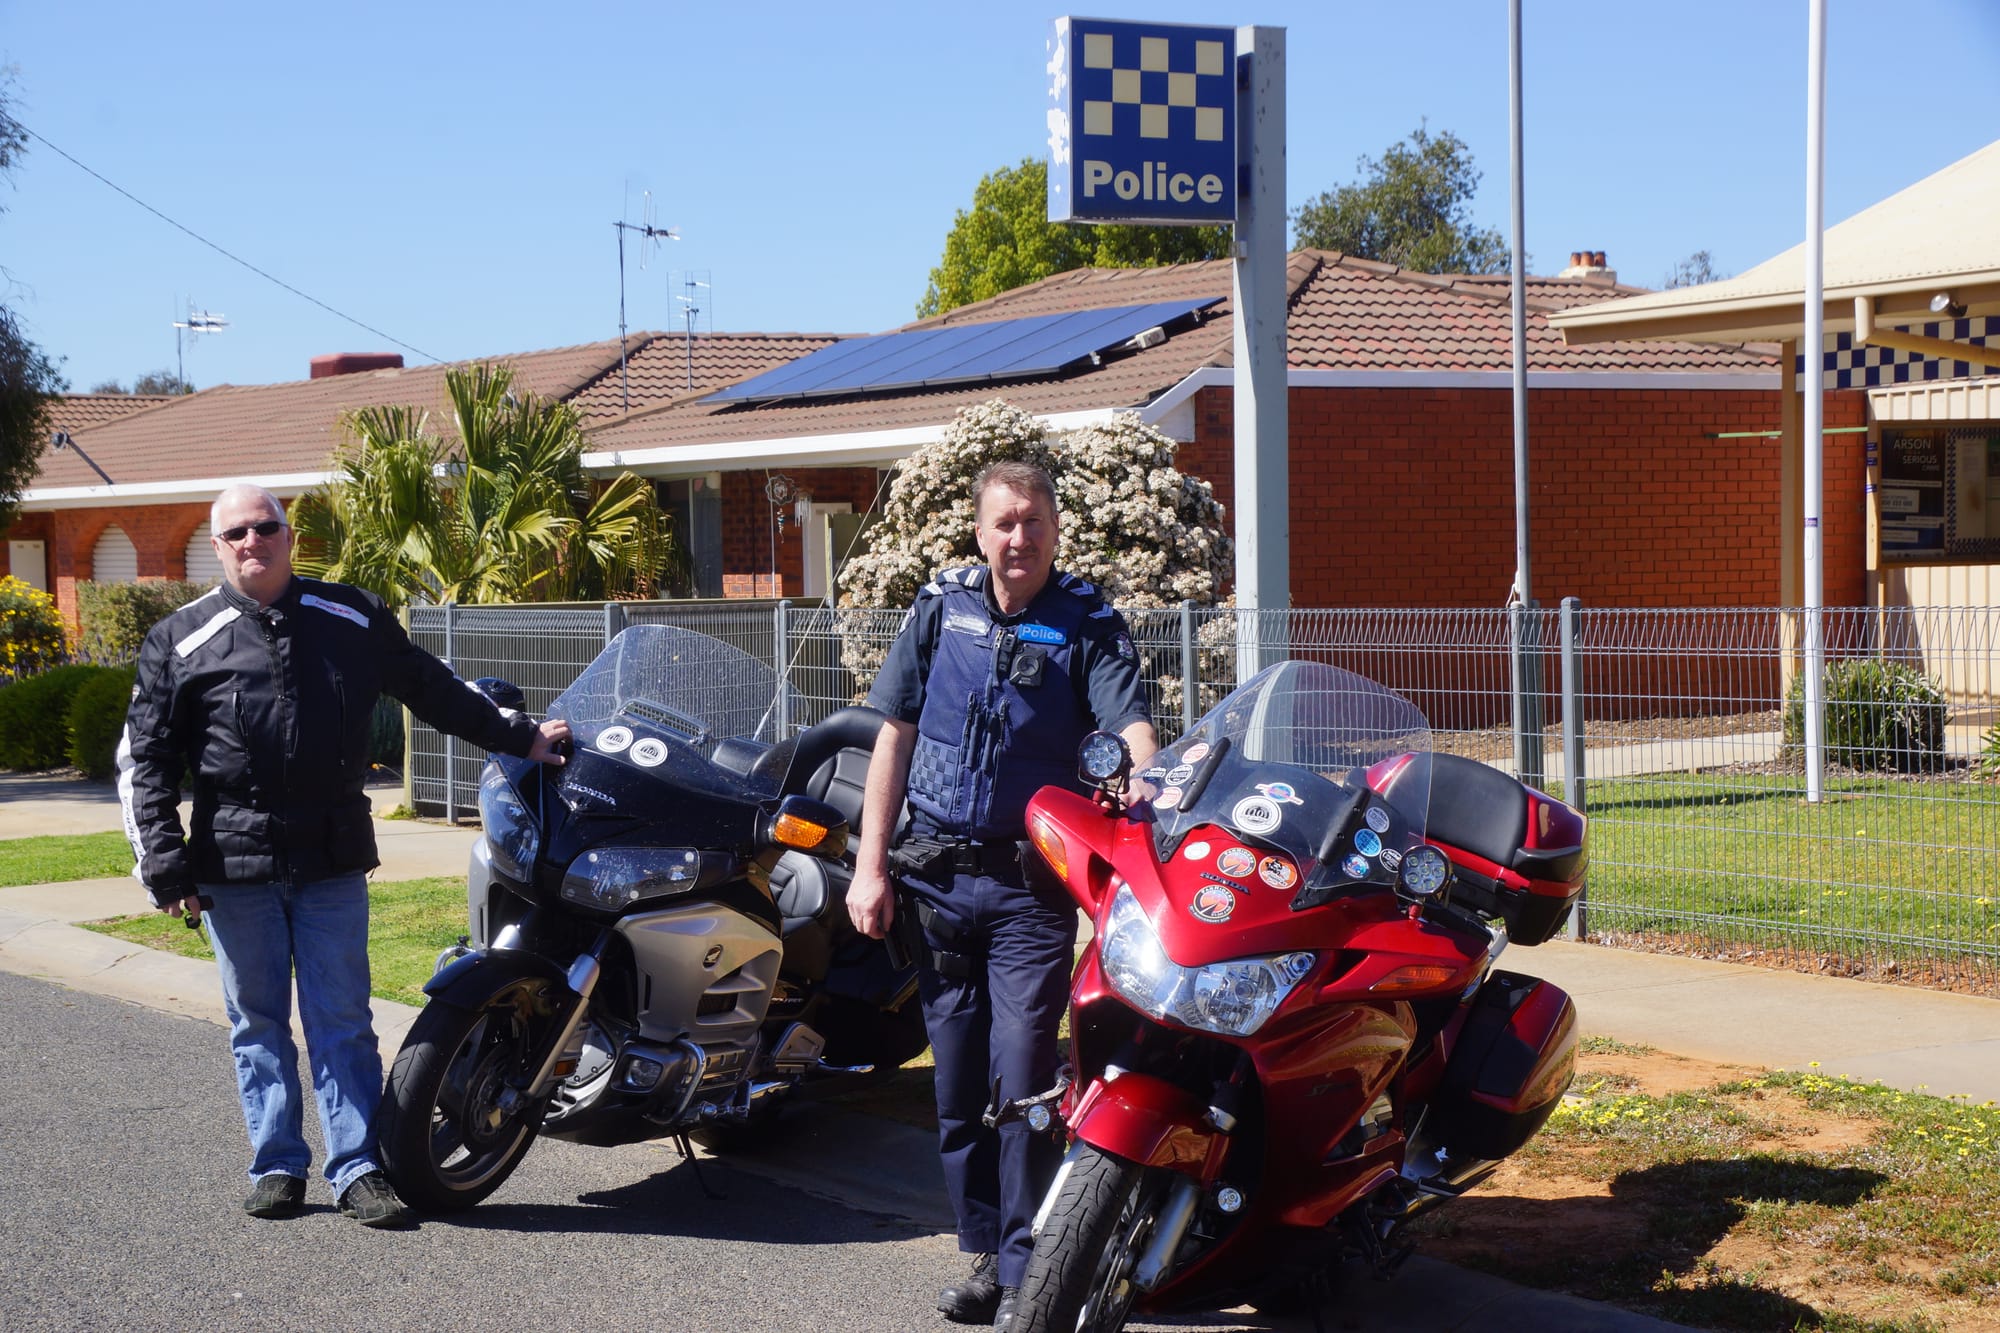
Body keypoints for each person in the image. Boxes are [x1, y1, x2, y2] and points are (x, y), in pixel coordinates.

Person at [118, 484, 570, 1227]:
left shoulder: (351, 615)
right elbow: (146, 763)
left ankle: (359, 1167)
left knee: (343, 1019)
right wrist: (163, 866)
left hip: (330, 860)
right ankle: (277, 1164)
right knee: (258, 1023)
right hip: (233, 868)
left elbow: (430, 686)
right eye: (237, 532)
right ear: (218, 545)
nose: (253, 542)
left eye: (266, 527)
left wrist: (520, 736)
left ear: (289, 536)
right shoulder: (180, 639)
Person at [848, 461, 1157, 1327]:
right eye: (1004, 523)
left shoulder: (1087, 620)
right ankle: (987, 1252)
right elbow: (893, 737)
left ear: (1054, 530)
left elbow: (1130, 723)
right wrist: (871, 865)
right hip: (936, 882)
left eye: (1033, 522)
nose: (1019, 538)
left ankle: (1029, 1269)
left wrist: (1143, 773)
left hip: (1028, 889)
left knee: (1021, 1078)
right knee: (956, 1086)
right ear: (980, 533)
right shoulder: (940, 608)